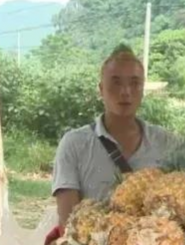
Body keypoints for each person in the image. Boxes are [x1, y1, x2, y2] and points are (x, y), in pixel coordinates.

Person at [52, 44, 174, 227]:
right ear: (101, 89)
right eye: (116, 82)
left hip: (154, 242)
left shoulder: (167, 142)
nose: (125, 92)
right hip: (94, 242)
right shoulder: (74, 144)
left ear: (143, 90)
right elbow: (67, 223)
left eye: (134, 83)